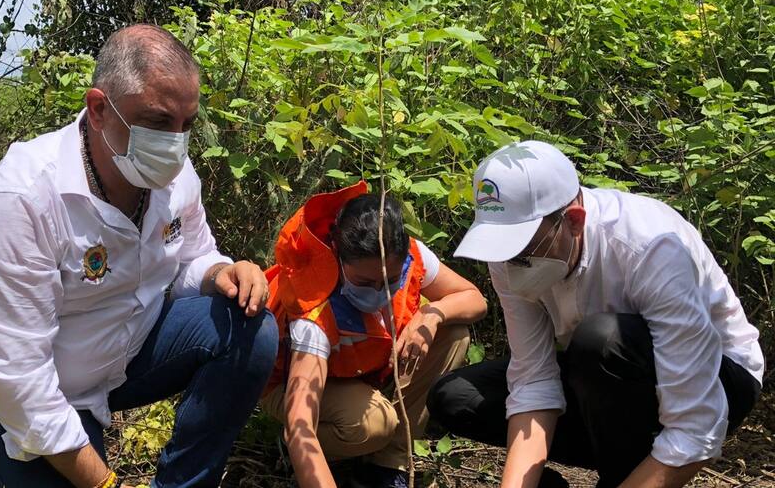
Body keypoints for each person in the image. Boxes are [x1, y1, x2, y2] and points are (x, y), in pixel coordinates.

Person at [0, 24, 278, 488]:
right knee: (35, 437)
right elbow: (20, 374)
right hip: (34, 391)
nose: (175, 143)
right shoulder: (23, 196)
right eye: (159, 122)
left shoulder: (177, 177)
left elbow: (191, 257)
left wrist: (222, 271)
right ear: (100, 109)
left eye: (187, 124)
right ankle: (1, 455)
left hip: (125, 355)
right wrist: (106, 483)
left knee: (250, 329)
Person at [427, 140, 764, 488]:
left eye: (523, 251)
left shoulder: (649, 247)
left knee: (600, 341)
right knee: (458, 397)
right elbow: (534, 380)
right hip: (604, 381)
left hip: (716, 377)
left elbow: (696, 428)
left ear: (573, 221)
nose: (510, 267)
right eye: (501, 252)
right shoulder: (509, 257)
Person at [259, 181, 487, 488]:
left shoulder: (408, 256)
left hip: (362, 371)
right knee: (373, 424)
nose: (380, 291)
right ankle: (315, 451)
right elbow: (302, 424)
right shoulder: (314, 304)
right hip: (289, 384)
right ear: (338, 257)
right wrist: (300, 445)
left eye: (391, 280)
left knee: (454, 333)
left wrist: (430, 316)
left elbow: (474, 299)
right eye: (365, 282)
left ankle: (388, 465)